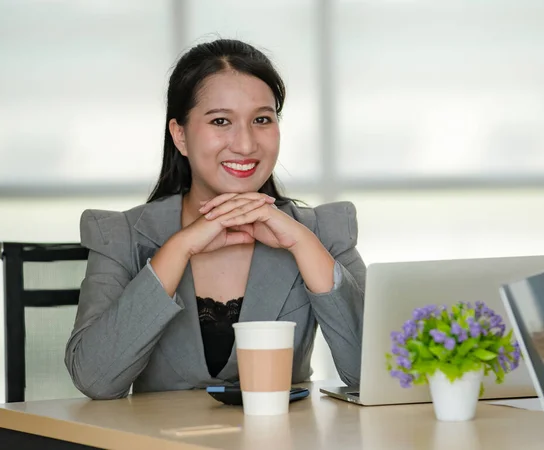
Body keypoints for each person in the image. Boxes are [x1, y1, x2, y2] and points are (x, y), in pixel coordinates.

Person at [64, 39, 366, 400]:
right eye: (221, 121)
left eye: (262, 120)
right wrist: (179, 247)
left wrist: (303, 245)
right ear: (180, 135)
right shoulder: (120, 235)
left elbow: (379, 373)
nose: (245, 144)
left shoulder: (322, 231)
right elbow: (95, 379)